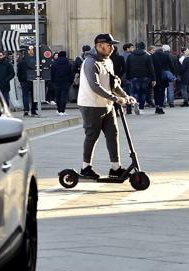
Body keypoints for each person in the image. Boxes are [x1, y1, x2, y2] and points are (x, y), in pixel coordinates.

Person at [77, 33, 135, 179]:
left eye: (112, 46)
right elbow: (94, 86)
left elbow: (113, 83)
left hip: (107, 104)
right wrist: (116, 98)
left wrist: (124, 96)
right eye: (109, 45)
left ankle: (116, 168)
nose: (112, 48)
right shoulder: (90, 63)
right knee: (92, 136)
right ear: (99, 46)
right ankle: (85, 168)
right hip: (91, 105)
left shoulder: (108, 61)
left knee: (113, 134)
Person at [125, 41, 156, 113]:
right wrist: (153, 79)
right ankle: (141, 108)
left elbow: (127, 67)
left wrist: (128, 77)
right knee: (143, 92)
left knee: (135, 91)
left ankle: (136, 103)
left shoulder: (130, 56)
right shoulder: (147, 56)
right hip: (145, 77)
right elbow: (151, 68)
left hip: (134, 76)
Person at [51, 50, 74, 115]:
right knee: (64, 96)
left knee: (58, 96)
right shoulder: (69, 63)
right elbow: (71, 73)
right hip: (66, 82)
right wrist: (71, 81)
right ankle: (62, 110)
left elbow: (52, 73)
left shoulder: (55, 63)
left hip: (57, 82)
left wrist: (52, 81)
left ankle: (59, 110)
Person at [17, 47, 38, 116]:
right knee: (34, 96)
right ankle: (33, 110)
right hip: (33, 80)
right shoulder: (36, 61)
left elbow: (18, 72)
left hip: (24, 81)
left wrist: (20, 80)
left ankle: (26, 110)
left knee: (25, 95)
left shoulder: (21, 62)